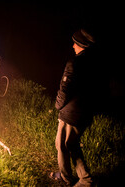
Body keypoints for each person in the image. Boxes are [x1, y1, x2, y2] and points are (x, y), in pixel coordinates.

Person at [50, 29, 96, 187]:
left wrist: (57, 106)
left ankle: (83, 179)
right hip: (85, 112)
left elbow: (65, 89)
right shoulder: (95, 63)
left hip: (72, 114)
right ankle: (67, 176)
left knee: (65, 144)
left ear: (81, 45)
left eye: (75, 43)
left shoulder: (74, 63)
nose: (72, 45)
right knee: (68, 144)